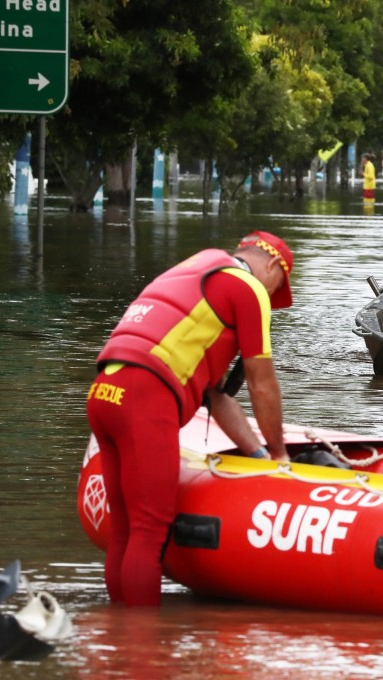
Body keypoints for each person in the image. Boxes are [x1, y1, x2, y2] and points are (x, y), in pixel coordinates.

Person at [86, 231, 295, 607]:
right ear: (272, 265)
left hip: (105, 391)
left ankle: (115, 644)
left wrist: (260, 455)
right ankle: (140, 653)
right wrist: (281, 456)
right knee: (149, 531)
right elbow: (262, 384)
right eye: (278, 286)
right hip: (145, 398)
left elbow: (215, 396)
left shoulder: (197, 269)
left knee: (124, 530)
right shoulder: (247, 287)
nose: (271, 298)